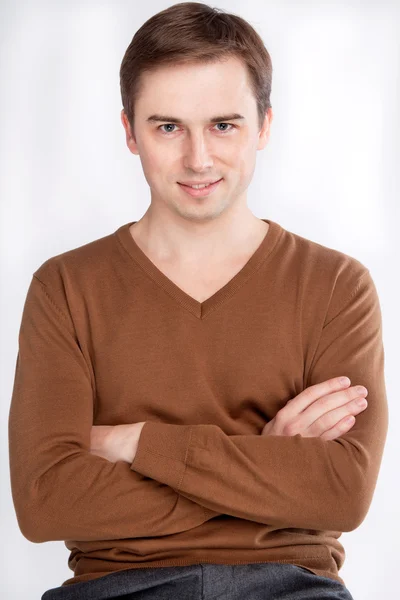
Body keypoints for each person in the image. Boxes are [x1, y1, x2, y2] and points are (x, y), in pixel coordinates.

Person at [8, 2, 388, 599]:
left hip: (291, 586)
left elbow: (341, 492)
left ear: (263, 125)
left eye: (223, 125)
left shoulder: (336, 285)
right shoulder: (65, 287)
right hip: (116, 588)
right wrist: (264, 463)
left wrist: (135, 444)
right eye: (168, 127)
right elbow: (45, 502)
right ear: (130, 132)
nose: (198, 159)